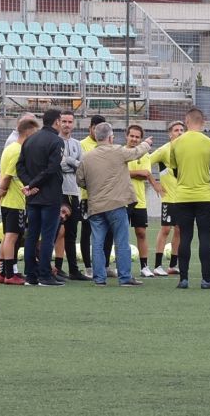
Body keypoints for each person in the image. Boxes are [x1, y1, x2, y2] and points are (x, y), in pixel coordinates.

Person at [76, 122, 152, 287]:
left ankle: (99, 278)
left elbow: (80, 180)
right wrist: (147, 143)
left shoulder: (87, 156)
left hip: (95, 206)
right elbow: (136, 152)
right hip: (116, 204)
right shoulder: (117, 151)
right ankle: (124, 277)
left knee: (97, 242)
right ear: (110, 137)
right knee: (121, 241)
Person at [168, 107, 210, 289]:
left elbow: (175, 170)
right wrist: (205, 184)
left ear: (186, 121)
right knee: (205, 237)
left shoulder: (176, 144)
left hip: (182, 196)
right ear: (203, 122)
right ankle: (206, 279)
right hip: (204, 196)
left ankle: (183, 279)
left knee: (185, 237)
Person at [17, 108, 66, 286]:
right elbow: (52, 169)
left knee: (31, 235)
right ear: (57, 122)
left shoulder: (29, 140)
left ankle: (30, 275)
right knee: (47, 236)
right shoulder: (57, 141)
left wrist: (29, 184)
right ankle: (45, 275)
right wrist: (33, 184)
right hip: (49, 196)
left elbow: (20, 166)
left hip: (32, 197)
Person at [0, 117, 40, 285]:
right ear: (28, 133)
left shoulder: (9, 148)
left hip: (8, 200)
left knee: (7, 236)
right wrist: (0, 193)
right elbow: (7, 178)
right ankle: (10, 275)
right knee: (12, 236)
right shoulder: (18, 150)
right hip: (14, 201)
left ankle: (4, 273)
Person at [0, 205, 71, 282]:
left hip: (16, 243)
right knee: (3, 275)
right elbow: (38, 250)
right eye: (62, 211)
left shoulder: (50, 224)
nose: (63, 216)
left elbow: (37, 248)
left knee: (13, 274)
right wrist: (48, 266)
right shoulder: (40, 218)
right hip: (0, 239)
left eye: (66, 216)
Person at [54, 110, 90, 281]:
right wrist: (71, 163)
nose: (67, 124)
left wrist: (68, 161)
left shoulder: (77, 143)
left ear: (74, 124)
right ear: (58, 123)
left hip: (73, 192)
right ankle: (56, 268)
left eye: (70, 121)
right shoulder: (54, 141)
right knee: (57, 230)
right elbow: (57, 165)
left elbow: (82, 166)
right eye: (64, 121)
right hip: (58, 191)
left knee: (71, 232)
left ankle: (74, 270)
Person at [125, 124, 162, 278]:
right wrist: (138, 173)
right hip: (123, 200)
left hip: (140, 201)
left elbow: (145, 174)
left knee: (141, 233)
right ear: (127, 136)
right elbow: (120, 173)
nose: (134, 139)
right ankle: (117, 266)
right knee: (120, 234)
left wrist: (132, 173)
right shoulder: (121, 152)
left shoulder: (145, 154)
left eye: (137, 137)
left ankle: (144, 266)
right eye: (131, 136)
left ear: (141, 139)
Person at [79, 115, 114, 278]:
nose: (99, 131)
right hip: (88, 196)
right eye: (96, 128)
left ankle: (105, 265)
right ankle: (88, 267)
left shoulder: (109, 144)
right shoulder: (82, 145)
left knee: (108, 232)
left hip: (107, 196)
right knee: (87, 231)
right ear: (90, 128)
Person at [149, 120, 185, 276]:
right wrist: (155, 183)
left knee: (179, 230)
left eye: (182, 130)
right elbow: (145, 163)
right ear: (170, 134)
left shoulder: (186, 150)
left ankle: (173, 265)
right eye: (176, 130)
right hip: (169, 198)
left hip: (184, 198)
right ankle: (157, 265)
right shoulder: (164, 150)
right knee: (165, 229)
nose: (179, 132)